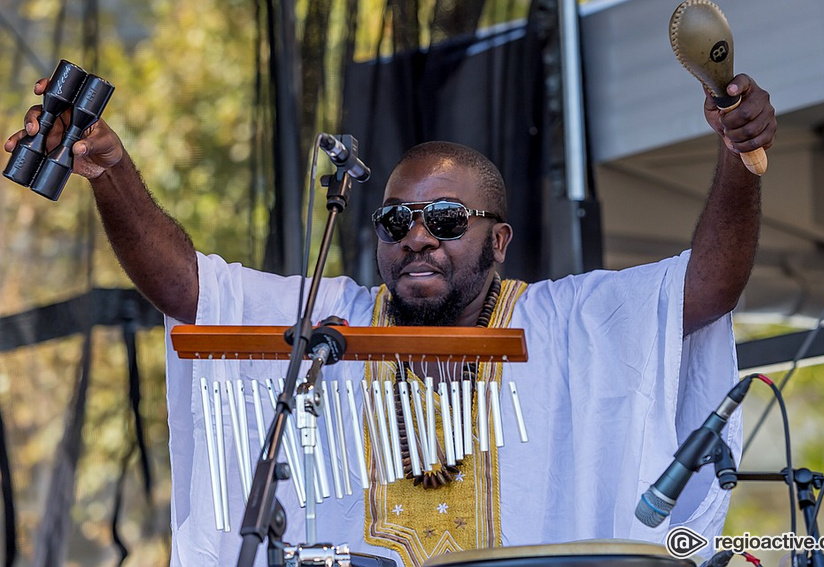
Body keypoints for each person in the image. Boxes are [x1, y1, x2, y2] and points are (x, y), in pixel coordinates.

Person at [6, 73, 776, 567]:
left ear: (497, 240)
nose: (417, 235)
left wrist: (738, 159)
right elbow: (190, 290)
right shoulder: (330, 322)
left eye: (446, 219)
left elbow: (707, 286)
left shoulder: (564, 323)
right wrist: (111, 171)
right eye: (397, 218)